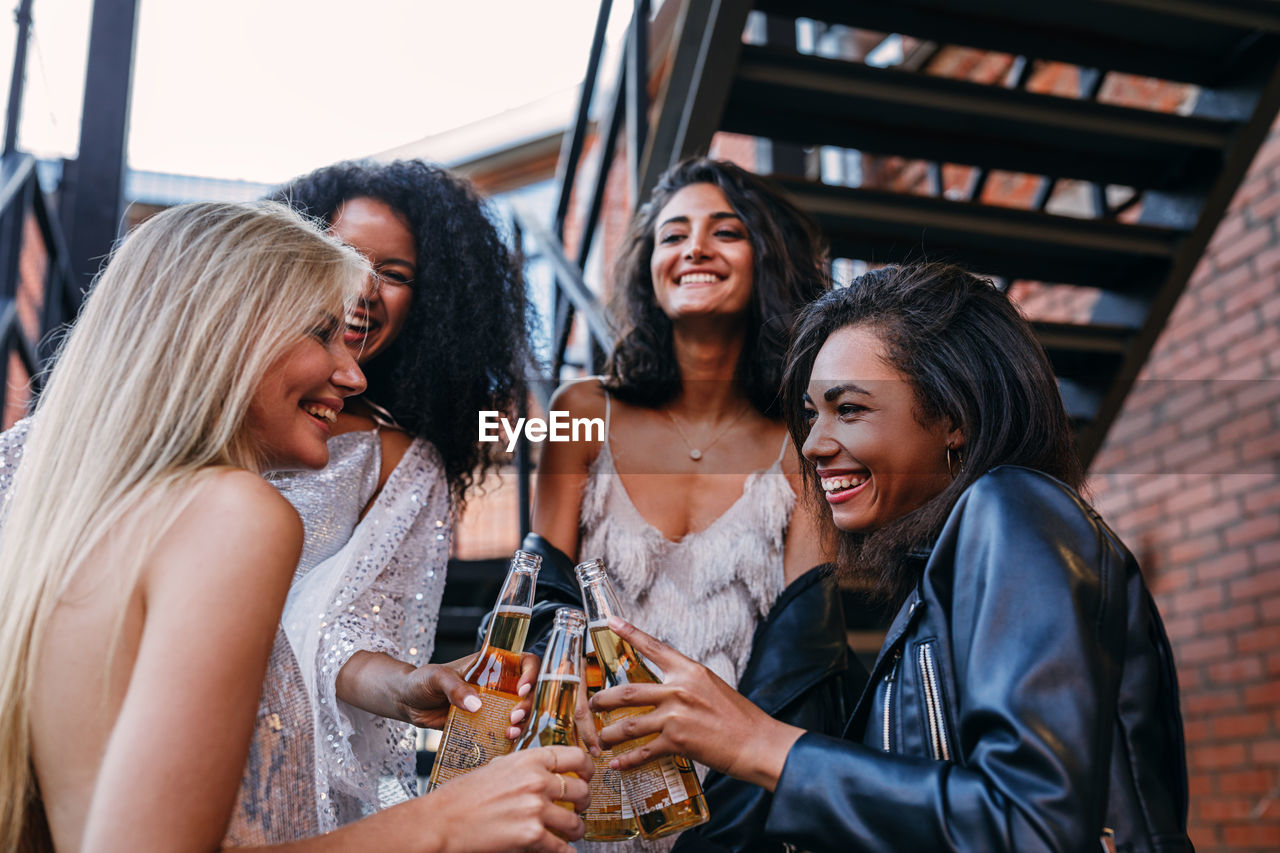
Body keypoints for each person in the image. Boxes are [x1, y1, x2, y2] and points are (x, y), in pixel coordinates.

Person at [0, 201, 590, 852]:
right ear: (219, 331)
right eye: (320, 333)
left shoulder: (69, 504)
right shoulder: (234, 512)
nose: (353, 372)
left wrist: (401, 686)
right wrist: (447, 819)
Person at [589, 262, 1192, 852]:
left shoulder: (1012, 509)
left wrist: (762, 745)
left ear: (954, 416)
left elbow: (1033, 828)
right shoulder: (937, 577)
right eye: (810, 414)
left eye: (849, 408)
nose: (815, 445)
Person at [528, 158, 862, 851]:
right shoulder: (579, 411)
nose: (695, 249)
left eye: (725, 231)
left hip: (732, 799)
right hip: (586, 777)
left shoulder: (804, 441)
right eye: (673, 235)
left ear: (765, 258)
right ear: (651, 265)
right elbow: (540, 601)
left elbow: (801, 657)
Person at [266, 159, 537, 825]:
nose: (363, 287)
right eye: (342, 255)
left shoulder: (400, 461)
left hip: (270, 755)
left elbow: (339, 633)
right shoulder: (178, 411)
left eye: (396, 274)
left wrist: (410, 684)